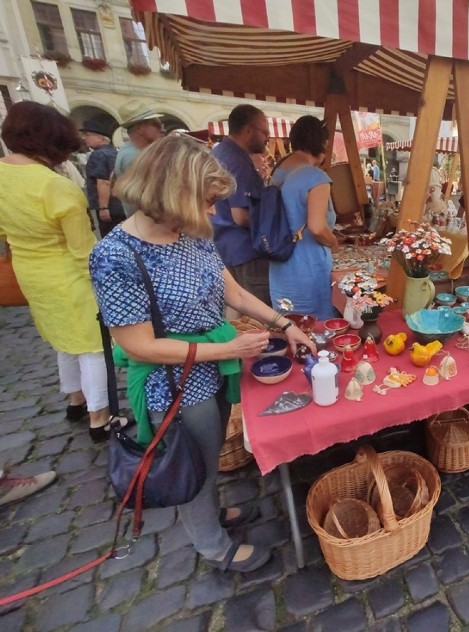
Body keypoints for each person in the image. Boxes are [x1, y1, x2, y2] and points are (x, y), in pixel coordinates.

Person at [89, 134, 316, 572]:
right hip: (171, 382)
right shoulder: (116, 256)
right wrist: (229, 348)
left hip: (209, 367)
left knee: (207, 454)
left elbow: (233, 291)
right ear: (175, 194)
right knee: (190, 461)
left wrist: (285, 325)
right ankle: (212, 545)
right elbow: (138, 344)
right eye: (207, 201)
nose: (213, 212)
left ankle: (211, 514)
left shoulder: (190, 232)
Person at [0, 102, 110, 441]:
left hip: (31, 272)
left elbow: (4, 234)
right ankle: (99, 416)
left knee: (63, 339)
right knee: (92, 344)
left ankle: (75, 399)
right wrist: (107, 284)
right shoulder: (55, 186)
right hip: (68, 277)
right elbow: (83, 252)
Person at [269, 116, 340, 319]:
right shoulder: (315, 177)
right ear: (322, 144)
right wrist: (333, 243)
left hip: (280, 264)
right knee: (315, 328)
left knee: (288, 325)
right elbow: (317, 227)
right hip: (308, 266)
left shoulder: (278, 172)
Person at [211, 105, 271, 304]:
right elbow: (241, 215)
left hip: (224, 245)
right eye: (264, 132)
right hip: (245, 251)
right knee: (257, 310)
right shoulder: (237, 161)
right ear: (247, 130)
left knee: (237, 307)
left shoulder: (219, 152)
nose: (267, 138)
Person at [113, 102, 165, 217]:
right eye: (157, 124)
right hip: (148, 224)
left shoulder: (136, 152)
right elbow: (145, 198)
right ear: (141, 128)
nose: (162, 130)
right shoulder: (133, 157)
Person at [80, 120, 123, 237]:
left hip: (110, 206)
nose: (84, 138)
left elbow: (103, 181)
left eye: (87, 135)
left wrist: (103, 207)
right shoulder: (114, 152)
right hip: (120, 203)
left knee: (110, 236)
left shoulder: (98, 155)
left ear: (99, 137)